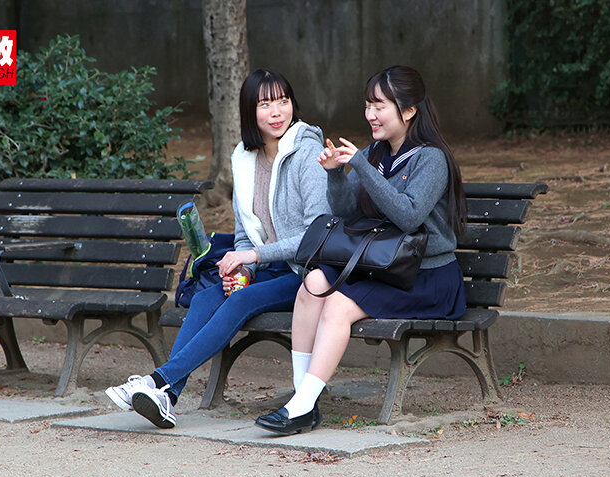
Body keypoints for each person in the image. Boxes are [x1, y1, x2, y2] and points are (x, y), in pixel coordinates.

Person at [105, 68, 330, 428]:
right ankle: (168, 397)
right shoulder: (245, 159)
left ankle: (156, 381)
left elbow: (315, 234)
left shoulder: (307, 153)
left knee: (240, 301)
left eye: (283, 101)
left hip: (307, 273)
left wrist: (253, 256)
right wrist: (244, 270)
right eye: (265, 104)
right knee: (207, 296)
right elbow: (245, 234)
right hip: (268, 268)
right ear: (249, 112)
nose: (277, 112)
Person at [255, 65, 468, 435]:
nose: (370, 114)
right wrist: (335, 174)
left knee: (337, 306)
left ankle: (300, 406)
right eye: (368, 105)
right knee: (313, 284)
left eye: (380, 106)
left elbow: (408, 216)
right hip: (385, 267)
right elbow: (345, 212)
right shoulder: (375, 153)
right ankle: (303, 399)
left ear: (409, 110)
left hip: (427, 277)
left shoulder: (431, 158)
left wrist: (360, 166)